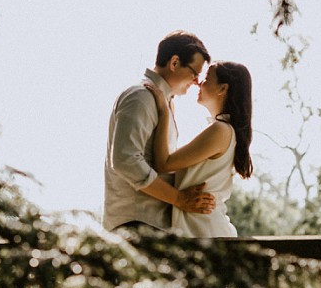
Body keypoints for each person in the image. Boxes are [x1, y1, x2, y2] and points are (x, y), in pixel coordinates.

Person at [102, 31, 216, 231]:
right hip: (135, 224)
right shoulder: (140, 97)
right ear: (174, 63)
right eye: (195, 73)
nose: (197, 81)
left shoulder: (162, 102)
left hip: (148, 224)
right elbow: (125, 160)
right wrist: (179, 198)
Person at [144, 61, 253, 237]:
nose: (198, 83)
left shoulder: (221, 130)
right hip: (201, 229)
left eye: (206, 78)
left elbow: (163, 163)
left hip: (206, 230)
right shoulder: (223, 130)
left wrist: (164, 112)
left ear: (222, 88)